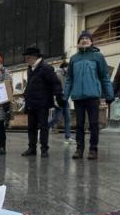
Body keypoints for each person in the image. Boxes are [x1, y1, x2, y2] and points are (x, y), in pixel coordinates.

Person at [64, 31, 114, 160]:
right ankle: (79, 149)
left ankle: (93, 149)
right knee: (79, 124)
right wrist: (64, 96)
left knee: (93, 124)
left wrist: (109, 94)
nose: (84, 40)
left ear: (91, 42)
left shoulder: (98, 57)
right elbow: (69, 79)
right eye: (82, 39)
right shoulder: (74, 58)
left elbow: (104, 77)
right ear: (78, 43)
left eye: (87, 38)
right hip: (78, 97)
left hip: (93, 96)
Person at [21, 46, 63, 158]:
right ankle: (32, 148)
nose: (26, 60)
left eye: (28, 57)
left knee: (43, 127)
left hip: (42, 103)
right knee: (31, 127)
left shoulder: (46, 68)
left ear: (35, 57)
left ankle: (44, 149)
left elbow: (56, 83)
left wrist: (59, 96)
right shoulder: (30, 68)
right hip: (31, 103)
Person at [51, 55, 74, 144]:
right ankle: (43, 128)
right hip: (58, 99)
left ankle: (68, 137)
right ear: (64, 67)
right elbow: (54, 87)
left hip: (65, 99)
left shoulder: (67, 76)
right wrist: (55, 99)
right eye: (67, 67)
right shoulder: (58, 75)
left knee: (68, 118)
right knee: (57, 118)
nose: (68, 69)